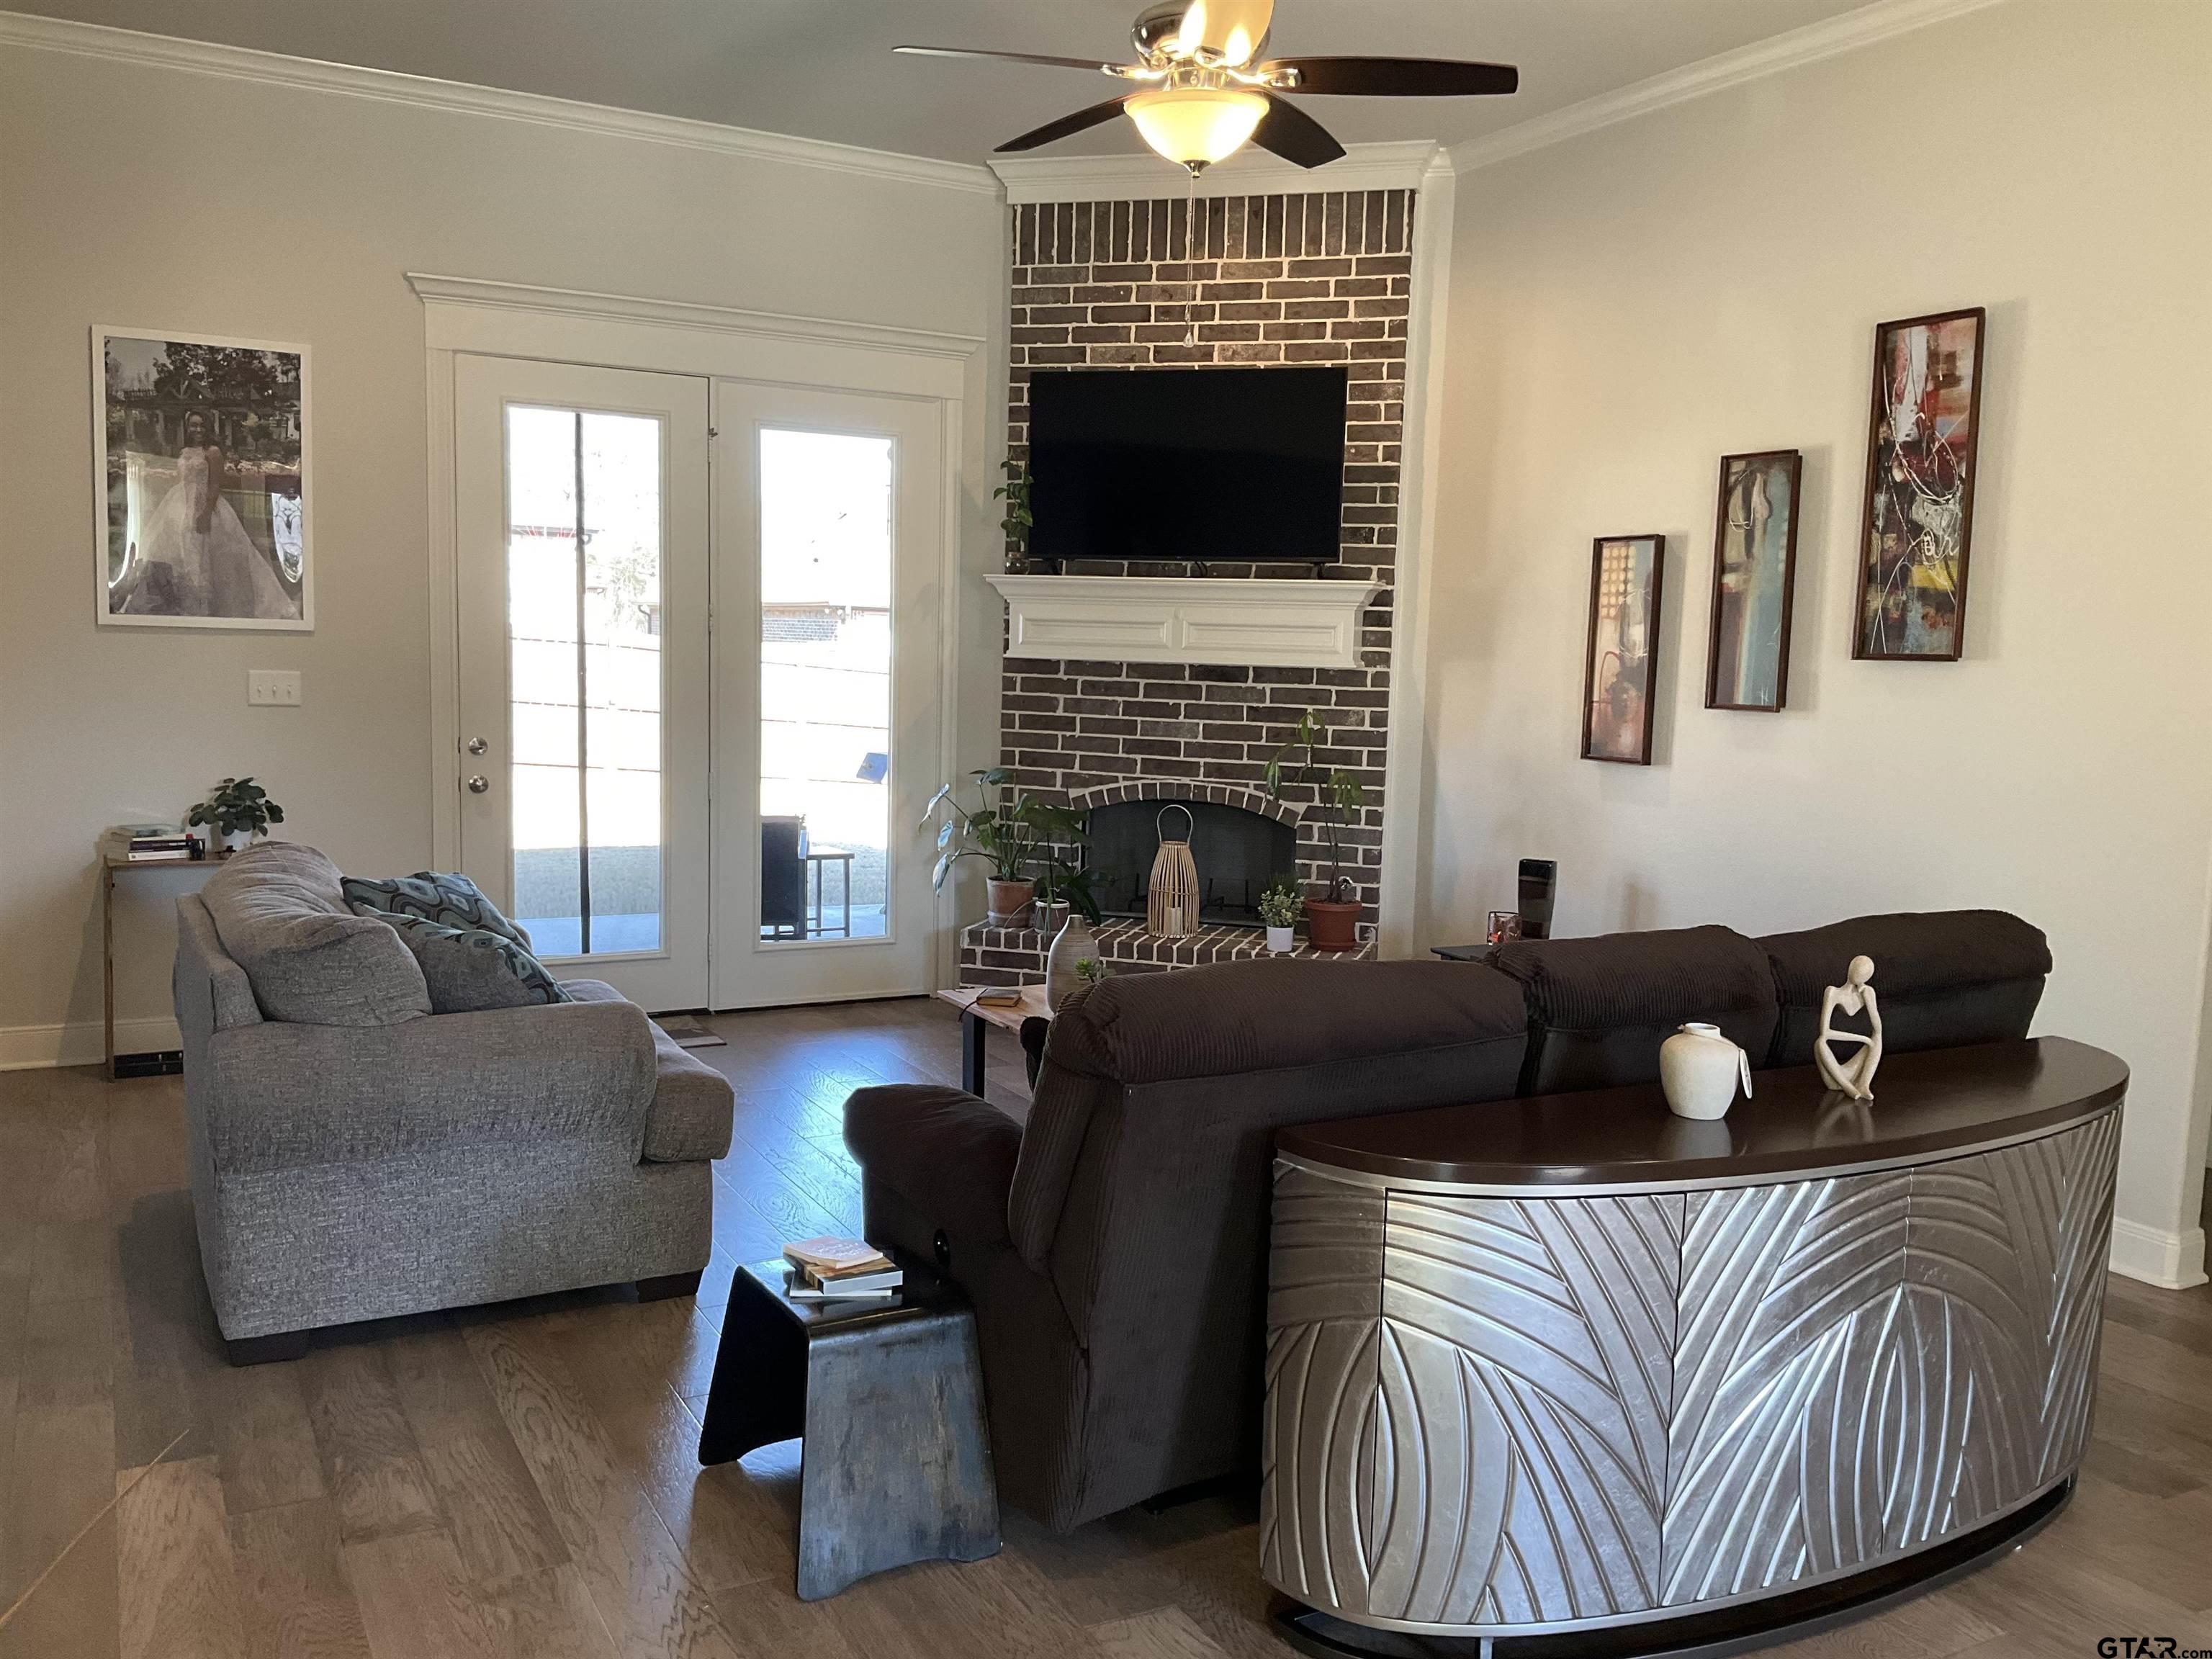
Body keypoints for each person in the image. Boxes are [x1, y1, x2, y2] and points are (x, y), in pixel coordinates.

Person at [113, 409, 297, 620]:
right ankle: (186, 602)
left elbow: (215, 484)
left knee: (207, 557)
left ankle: (209, 606)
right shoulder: (185, 452)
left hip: (206, 505)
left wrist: (206, 513)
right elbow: (181, 479)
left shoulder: (213, 452)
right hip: (181, 503)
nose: (198, 429)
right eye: (193, 425)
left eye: (201, 425)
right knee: (181, 554)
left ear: (208, 427)